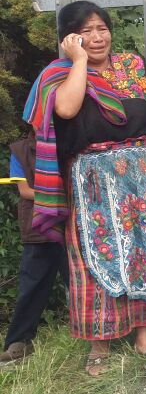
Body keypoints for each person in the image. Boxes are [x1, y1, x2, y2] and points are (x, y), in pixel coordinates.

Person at [22, 1, 146, 375]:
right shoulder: (57, 74)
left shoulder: (134, 66)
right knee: (95, 256)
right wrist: (78, 61)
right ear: (68, 38)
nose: (96, 37)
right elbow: (66, 109)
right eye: (85, 31)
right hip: (93, 178)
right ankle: (100, 343)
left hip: (143, 172)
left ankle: (145, 334)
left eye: (102, 28)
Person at [0, 133, 69, 365]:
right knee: (31, 287)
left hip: (70, 226)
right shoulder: (20, 150)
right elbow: (25, 191)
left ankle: (96, 336)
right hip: (37, 229)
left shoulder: (68, 143)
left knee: (80, 285)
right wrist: (60, 196)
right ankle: (18, 343)